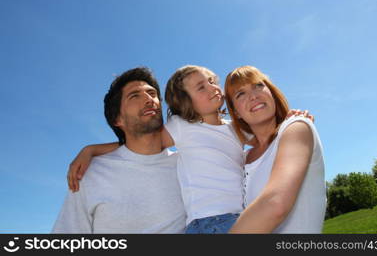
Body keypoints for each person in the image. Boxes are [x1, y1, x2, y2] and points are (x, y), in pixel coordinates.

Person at [67, 65, 313, 233]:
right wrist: (93, 149)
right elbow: (143, 143)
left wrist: (290, 119)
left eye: (212, 82)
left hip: (241, 218)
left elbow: (268, 136)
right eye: (200, 87)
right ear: (186, 101)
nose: (212, 88)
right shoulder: (181, 126)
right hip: (209, 222)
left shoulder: (236, 129)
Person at [52, 67, 186, 233]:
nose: (149, 99)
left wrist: (91, 149)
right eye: (135, 96)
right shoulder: (90, 173)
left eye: (152, 93)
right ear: (117, 119)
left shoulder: (187, 163)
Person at [224, 66, 326, 233]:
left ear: (271, 92)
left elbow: (275, 203)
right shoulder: (242, 158)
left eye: (258, 85)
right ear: (236, 112)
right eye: (240, 94)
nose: (253, 96)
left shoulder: (296, 127)